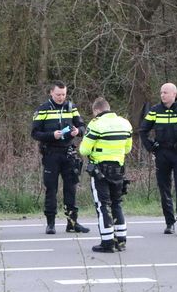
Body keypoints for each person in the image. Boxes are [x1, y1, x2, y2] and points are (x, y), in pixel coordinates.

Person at [138, 83, 177, 236]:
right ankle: (169, 223)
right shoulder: (155, 111)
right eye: (161, 92)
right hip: (162, 154)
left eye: (165, 92)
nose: (162, 95)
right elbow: (143, 130)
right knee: (164, 189)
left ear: (174, 94)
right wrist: (151, 147)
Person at [31, 81, 89, 234]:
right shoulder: (43, 109)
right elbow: (35, 133)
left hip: (68, 153)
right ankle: (51, 223)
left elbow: (83, 126)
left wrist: (78, 131)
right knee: (51, 189)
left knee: (71, 188)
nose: (61, 97)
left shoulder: (71, 107)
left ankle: (72, 223)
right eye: (58, 94)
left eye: (63, 94)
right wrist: (52, 135)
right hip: (51, 153)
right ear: (51, 93)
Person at [79, 97, 133, 253]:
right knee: (117, 203)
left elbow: (84, 150)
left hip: (101, 171)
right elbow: (127, 148)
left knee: (103, 205)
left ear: (96, 111)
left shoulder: (96, 124)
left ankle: (107, 242)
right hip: (119, 169)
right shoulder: (125, 123)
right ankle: (121, 240)